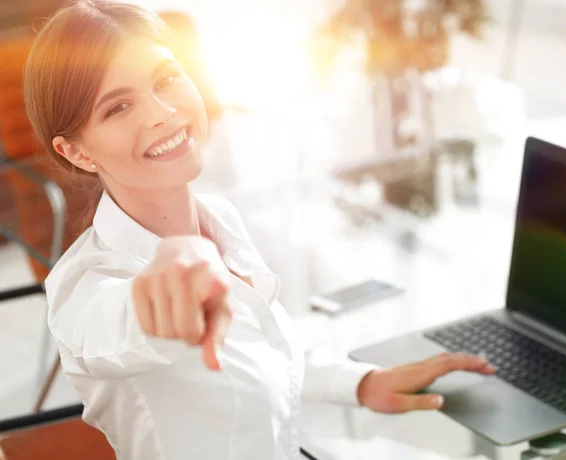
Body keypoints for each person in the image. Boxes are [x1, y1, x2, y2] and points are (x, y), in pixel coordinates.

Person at [23, 1, 496, 459]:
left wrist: (361, 383)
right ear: (78, 153)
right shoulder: (84, 289)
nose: (161, 112)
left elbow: (263, 344)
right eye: (118, 107)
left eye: (166, 78)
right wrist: (181, 265)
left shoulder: (218, 217)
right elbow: (118, 324)